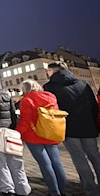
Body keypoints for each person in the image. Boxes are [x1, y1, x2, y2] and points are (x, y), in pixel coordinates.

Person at [44, 62, 100, 196]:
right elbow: (94, 106)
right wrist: (93, 124)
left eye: (48, 71)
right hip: (88, 128)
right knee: (96, 157)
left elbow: (50, 110)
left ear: (52, 71)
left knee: (79, 159)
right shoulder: (83, 85)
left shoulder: (49, 87)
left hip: (68, 129)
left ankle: (91, 190)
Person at [16, 79, 66, 196]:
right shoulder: (51, 96)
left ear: (25, 89)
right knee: (56, 163)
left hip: (34, 136)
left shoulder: (26, 100)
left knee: (45, 164)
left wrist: (17, 133)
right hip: (50, 133)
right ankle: (62, 191)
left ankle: (54, 192)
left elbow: (25, 121)